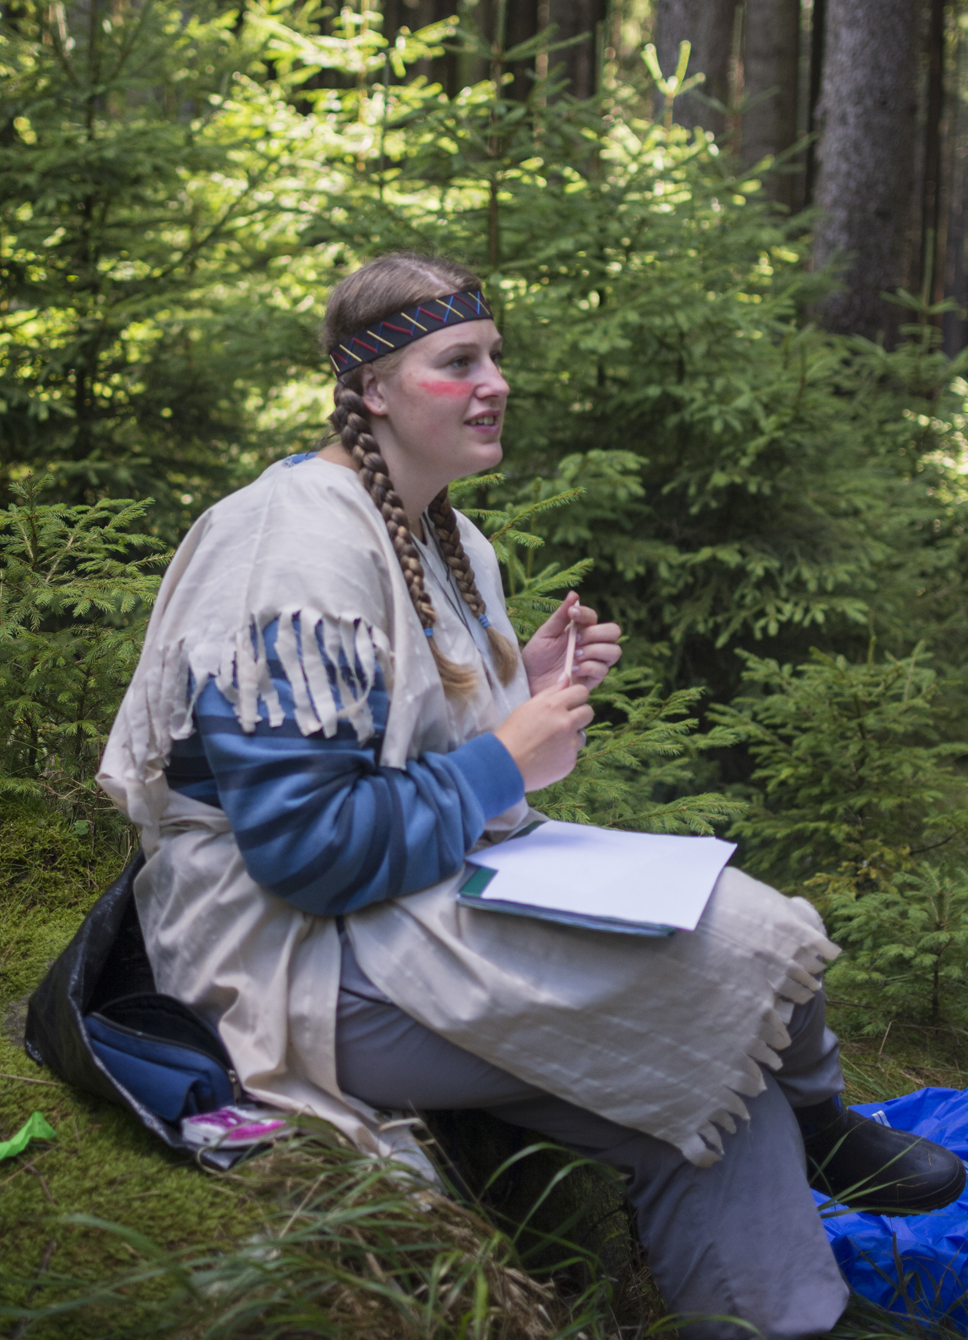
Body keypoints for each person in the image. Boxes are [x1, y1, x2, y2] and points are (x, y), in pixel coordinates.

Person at [98, 253, 965, 1340]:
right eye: (457, 361)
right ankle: (821, 1120)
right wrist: (504, 757)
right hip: (288, 954)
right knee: (740, 936)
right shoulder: (293, 551)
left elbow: (410, 740)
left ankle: (789, 1319)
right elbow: (306, 850)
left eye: (495, 357)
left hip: (407, 904)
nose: (494, 383)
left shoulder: (450, 538)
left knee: (710, 1083)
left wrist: (516, 689)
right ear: (372, 387)